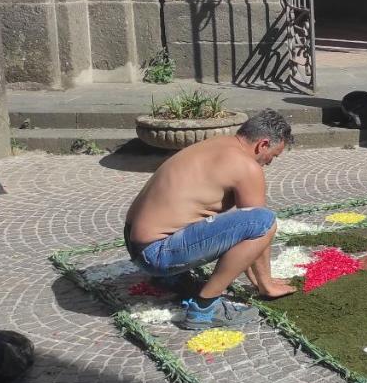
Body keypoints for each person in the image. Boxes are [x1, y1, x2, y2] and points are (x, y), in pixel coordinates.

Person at [123, 109, 296, 330]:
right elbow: (257, 226)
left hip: (136, 244)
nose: (269, 162)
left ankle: (174, 277)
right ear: (262, 144)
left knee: (244, 221)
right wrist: (265, 284)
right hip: (156, 255)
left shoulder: (217, 144)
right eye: (273, 155)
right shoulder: (246, 166)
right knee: (264, 221)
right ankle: (204, 308)